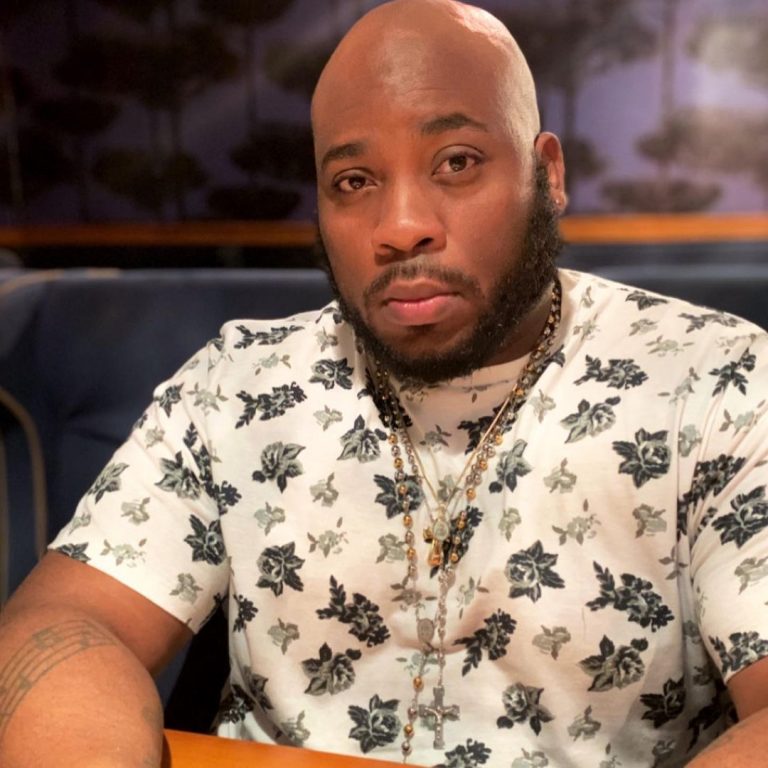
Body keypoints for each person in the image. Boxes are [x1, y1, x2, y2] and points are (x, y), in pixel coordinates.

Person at [2, 0, 768, 766]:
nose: (401, 226)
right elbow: (66, 623)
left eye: (456, 162)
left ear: (548, 173)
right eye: (354, 179)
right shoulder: (237, 386)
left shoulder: (713, 384)